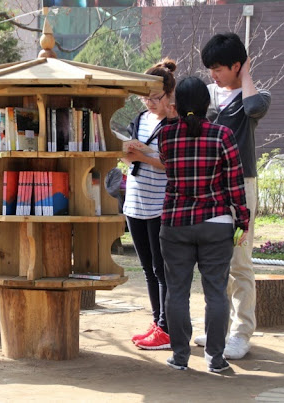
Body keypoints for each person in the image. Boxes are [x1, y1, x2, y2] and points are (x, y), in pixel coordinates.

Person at [158, 76, 250, 373]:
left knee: (177, 291)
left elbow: (166, 164)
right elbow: (235, 184)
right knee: (215, 291)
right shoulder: (223, 134)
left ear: (178, 104)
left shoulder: (166, 135)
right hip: (216, 222)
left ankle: (180, 356)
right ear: (206, 103)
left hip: (175, 222)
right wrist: (243, 219)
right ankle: (215, 358)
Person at [195, 32, 271, 360]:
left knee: (240, 262)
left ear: (237, 65)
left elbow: (253, 108)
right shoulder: (208, 96)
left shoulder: (256, 95)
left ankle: (242, 333)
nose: (212, 74)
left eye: (219, 68)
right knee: (215, 262)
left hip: (242, 184)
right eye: (210, 68)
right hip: (212, 186)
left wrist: (248, 74)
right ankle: (218, 328)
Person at [123, 58, 177, 350]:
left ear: (169, 95)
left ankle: (167, 328)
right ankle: (157, 322)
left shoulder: (174, 122)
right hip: (135, 201)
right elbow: (132, 150)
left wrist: (142, 156)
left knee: (161, 268)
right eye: (145, 97)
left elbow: (172, 165)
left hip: (160, 203)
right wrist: (126, 152)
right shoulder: (140, 120)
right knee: (146, 268)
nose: (149, 103)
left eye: (155, 98)